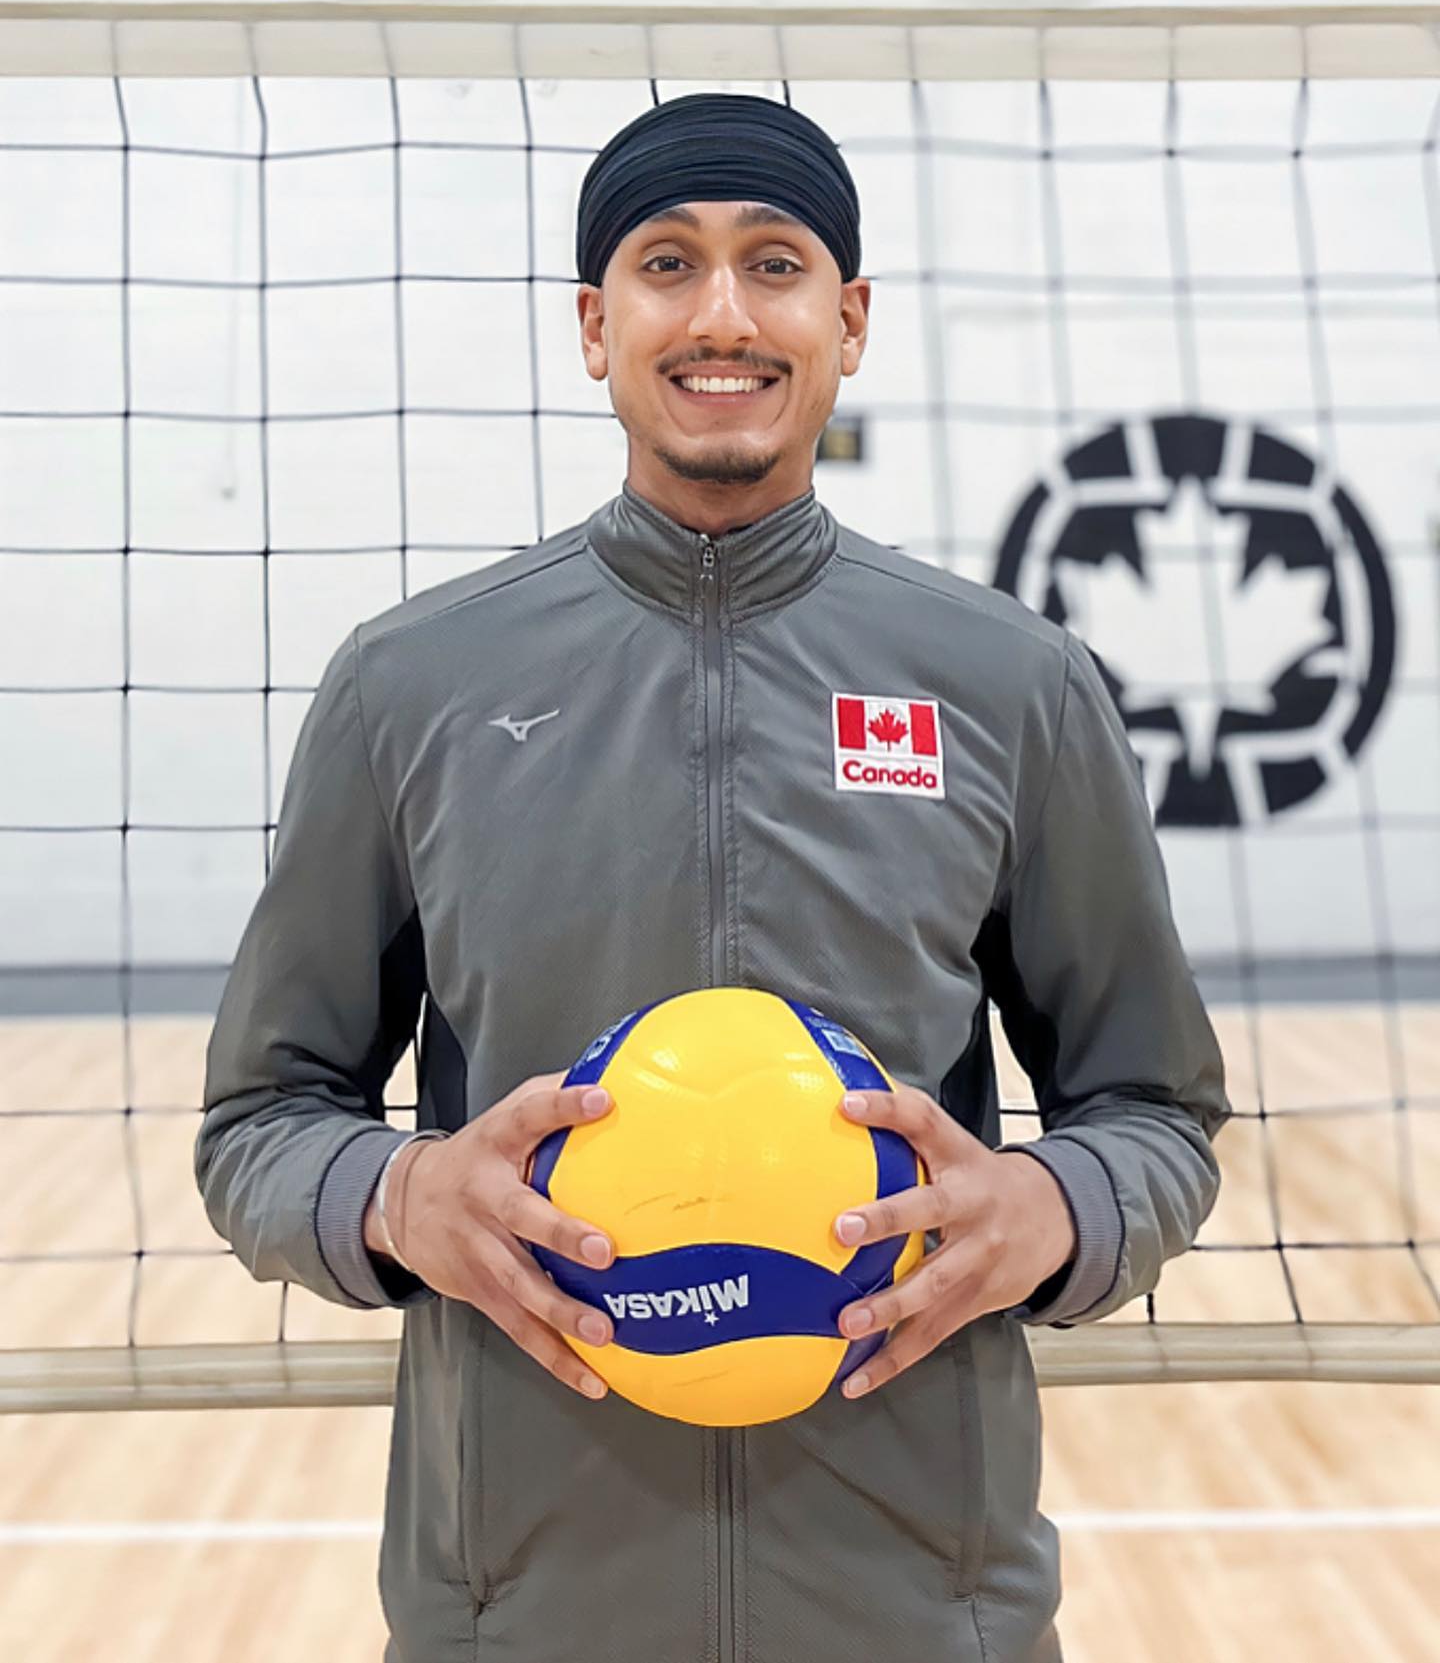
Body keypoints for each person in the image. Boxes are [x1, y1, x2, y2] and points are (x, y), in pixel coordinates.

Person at [196, 92, 1230, 1662]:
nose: (725, 314)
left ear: (852, 320)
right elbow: (258, 1122)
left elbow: (1157, 1107)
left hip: (919, 1607)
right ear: (597, 326)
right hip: (521, 1615)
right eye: (669, 266)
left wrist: (1055, 1203)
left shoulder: (1010, 683)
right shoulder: (411, 685)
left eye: (779, 263)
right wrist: (399, 1191)